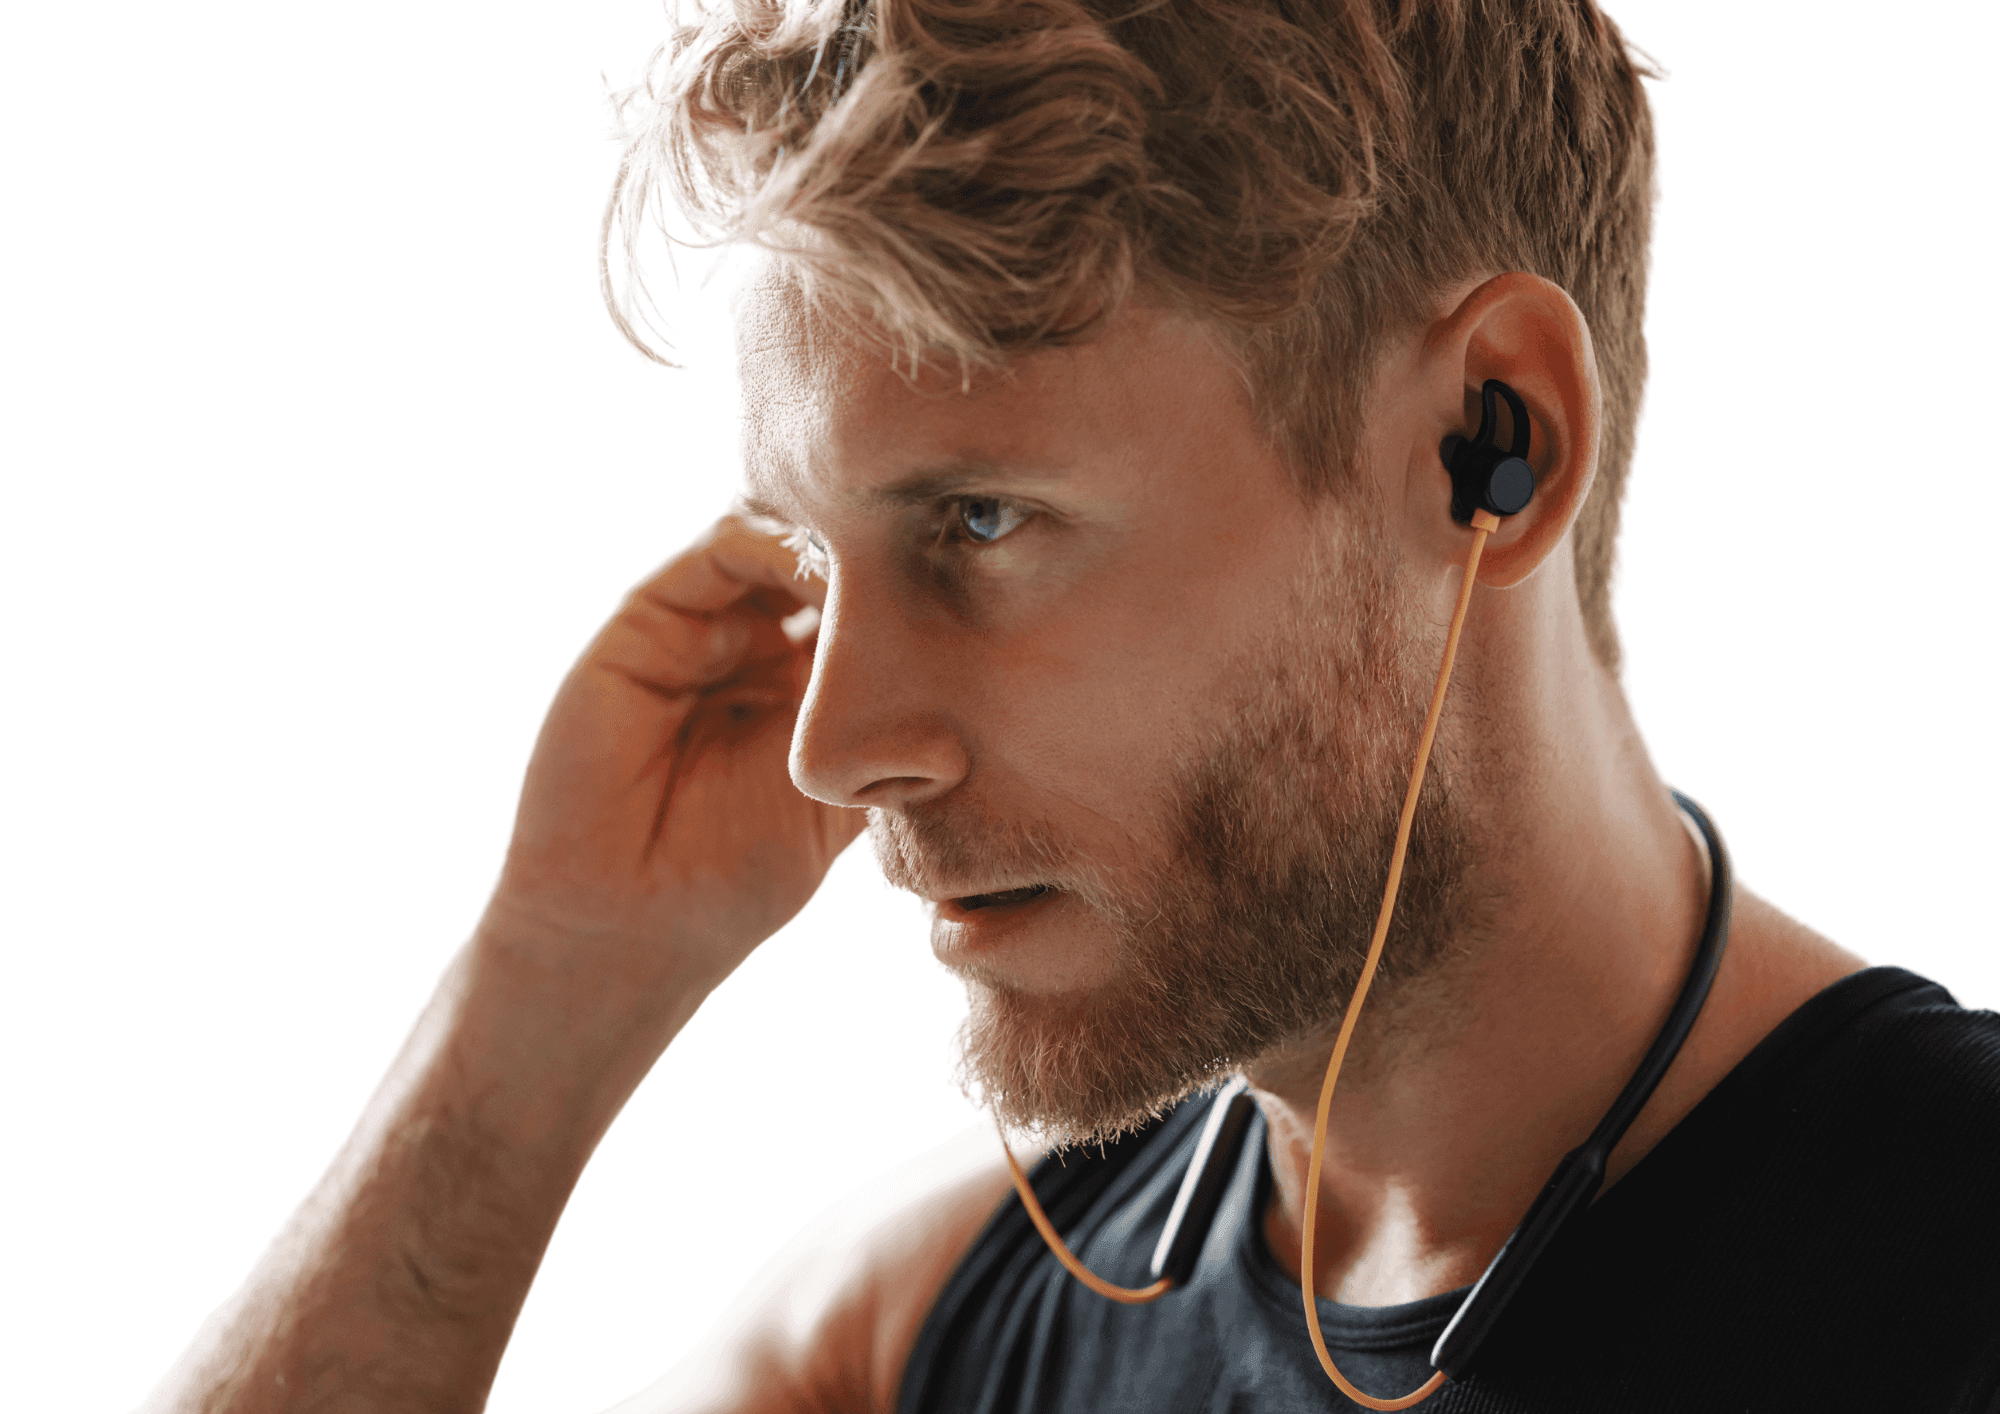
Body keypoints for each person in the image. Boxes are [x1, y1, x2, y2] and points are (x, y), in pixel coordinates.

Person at [142, 1, 2000, 1410]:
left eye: (979, 517)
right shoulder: (921, 1336)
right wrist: (544, 994)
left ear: (1486, 443)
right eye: (812, 552)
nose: (833, 743)